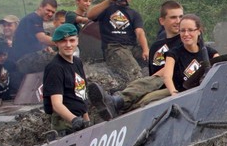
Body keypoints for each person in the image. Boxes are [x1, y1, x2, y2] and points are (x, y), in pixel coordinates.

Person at [88, 13, 218, 120]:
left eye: (190, 30)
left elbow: (221, 67)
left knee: (147, 100)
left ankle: (120, 108)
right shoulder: (175, 52)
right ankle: (116, 103)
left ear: (199, 31)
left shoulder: (209, 52)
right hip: (176, 88)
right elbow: (167, 76)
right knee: (147, 90)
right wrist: (174, 93)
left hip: (196, 92)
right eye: (182, 30)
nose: (186, 34)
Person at [87, 0, 149, 85]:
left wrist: (146, 49)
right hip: (114, 47)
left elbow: (140, 32)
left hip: (132, 47)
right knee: (134, 73)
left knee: (155, 60)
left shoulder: (134, 14)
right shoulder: (106, 9)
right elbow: (90, 15)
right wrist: (108, 1)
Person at [42, 23, 90, 134]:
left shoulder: (77, 62)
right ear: (56, 43)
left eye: (72, 40)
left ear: (77, 41)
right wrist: (74, 120)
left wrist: (86, 119)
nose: (68, 45)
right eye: (63, 41)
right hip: (64, 124)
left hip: (80, 118)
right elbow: (56, 104)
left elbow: (82, 93)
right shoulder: (55, 68)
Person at [9, 0, 58, 73]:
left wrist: (45, 48)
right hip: (23, 60)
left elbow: (34, 41)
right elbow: (42, 38)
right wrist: (61, 41)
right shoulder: (33, 19)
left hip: (29, 57)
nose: (50, 14)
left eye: (53, 12)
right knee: (59, 58)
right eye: (48, 10)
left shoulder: (36, 19)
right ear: (40, 7)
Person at [148, 0, 185, 75]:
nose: (178, 21)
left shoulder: (187, 42)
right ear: (162, 21)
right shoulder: (155, 47)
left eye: (181, 17)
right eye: (173, 17)